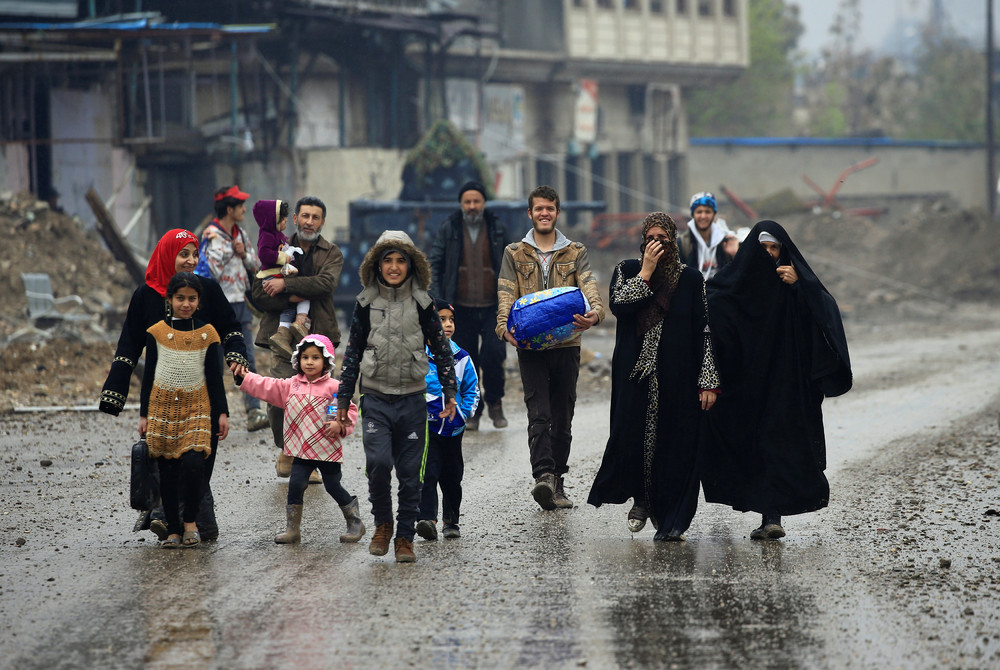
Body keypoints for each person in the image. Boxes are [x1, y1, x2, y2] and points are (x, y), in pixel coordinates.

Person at [702, 220, 852, 540]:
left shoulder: (794, 284)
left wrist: (800, 286)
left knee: (778, 446)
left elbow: (824, 311)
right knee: (752, 447)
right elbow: (714, 303)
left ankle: (773, 517)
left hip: (786, 383)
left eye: (775, 249)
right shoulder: (736, 284)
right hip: (746, 385)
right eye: (764, 249)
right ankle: (764, 513)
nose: (770, 255)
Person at [100, 229, 250, 541]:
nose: (191, 260)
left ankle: (190, 519)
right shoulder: (145, 296)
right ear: (169, 255)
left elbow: (231, 326)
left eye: (195, 254)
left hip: (202, 397)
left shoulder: (206, 289)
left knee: (198, 459)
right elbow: (129, 345)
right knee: (167, 459)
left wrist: (237, 357)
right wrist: (115, 392)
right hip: (163, 398)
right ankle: (168, 519)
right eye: (184, 254)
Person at [587, 213, 720, 541]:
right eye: (650, 238)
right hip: (634, 374)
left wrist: (708, 379)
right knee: (633, 438)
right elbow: (619, 305)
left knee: (677, 443)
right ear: (643, 241)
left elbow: (704, 329)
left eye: (663, 238)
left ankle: (672, 517)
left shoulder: (689, 280)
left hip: (679, 375)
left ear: (673, 240)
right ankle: (642, 500)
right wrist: (646, 272)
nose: (656, 244)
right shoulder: (627, 269)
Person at [337, 230, 458, 563]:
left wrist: (450, 390)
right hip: (375, 397)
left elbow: (441, 349)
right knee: (377, 463)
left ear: (410, 264)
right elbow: (352, 353)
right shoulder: (365, 303)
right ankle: (383, 525)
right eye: (387, 260)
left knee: (409, 472)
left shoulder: (423, 304)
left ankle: (404, 537)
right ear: (377, 264)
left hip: (412, 400)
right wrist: (343, 398)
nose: (393, 267)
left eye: (399, 260)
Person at [495, 185, 605, 511]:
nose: (545, 213)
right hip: (530, 346)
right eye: (539, 208)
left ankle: (558, 481)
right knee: (538, 413)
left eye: (550, 208)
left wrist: (595, 313)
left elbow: (588, 285)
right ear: (530, 213)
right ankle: (543, 475)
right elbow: (505, 292)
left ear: (558, 212)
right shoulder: (514, 253)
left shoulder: (575, 251)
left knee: (563, 415)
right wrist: (503, 327)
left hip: (568, 343)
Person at [236, 334, 364, 545]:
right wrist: (245, 377)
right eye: (305, 357)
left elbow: (349, 409)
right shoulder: (291, 386)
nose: (310, 362)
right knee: (295, 485)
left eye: (315, 357)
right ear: (298, 360)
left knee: (333, 486)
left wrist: (339, 424)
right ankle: (292, 529)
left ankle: (355, 522)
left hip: (326, 450)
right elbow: (266, 386)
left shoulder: (333, 387)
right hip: (301, 450)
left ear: (326, 361)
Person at [252, 196, 344, 479]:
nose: (309, 222)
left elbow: (325, 284)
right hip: (281, 338)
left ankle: (307, 459)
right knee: (279, 398)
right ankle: (287, 449)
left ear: (322, 222)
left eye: (316, 217)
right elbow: (258, 294)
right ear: (295, 219)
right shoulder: (274, 245)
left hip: (320, 338)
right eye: (305, 216)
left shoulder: (332, 252)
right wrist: (292, 295)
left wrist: (284, 284)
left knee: (317, 400)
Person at [139, 273, 229, 548]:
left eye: (191, 298)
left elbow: (215, 377)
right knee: (167, 470)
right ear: (169, 300)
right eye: (180, 298)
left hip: (197, 408)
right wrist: (144, 414)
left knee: (193, 465)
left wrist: (222, 413)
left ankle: (190, 521)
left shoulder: (207, 334)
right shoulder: (156, 333)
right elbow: (149, 375)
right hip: (162, 409)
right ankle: (174, 530)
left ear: (199, 301)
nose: (186, 304)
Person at [428, 181, 513, 430]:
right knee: (466, 360)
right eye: (468, 202)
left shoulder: (497, 228)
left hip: (492, 308)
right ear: (461, 204)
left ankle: (496, 403)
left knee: (494, 354)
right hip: (459, 309)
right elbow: (435, 263)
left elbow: (511, 265)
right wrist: (439, 301)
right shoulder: (449, 228)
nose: (472, 206)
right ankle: (473, 410)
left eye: (476, 201)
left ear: (484, 203)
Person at [201, 184, 268, 432]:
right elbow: (210, 272)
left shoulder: (240, 234)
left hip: (241, 305)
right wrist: (231, 252)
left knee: (247, 358)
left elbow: (255, 264)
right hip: (217, 309)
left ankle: (254, 411)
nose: (244, 209)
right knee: (215, 363)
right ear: (229, 209)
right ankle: (214, 414)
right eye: (240, 205)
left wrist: (243, 254)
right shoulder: (211, 236)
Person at [416, 299, 480, 541]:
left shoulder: (461, 357)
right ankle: (427, 519)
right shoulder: (418, 356)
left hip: (453, 430)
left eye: (451, 320)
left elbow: (473, 389)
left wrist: (463, 415)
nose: (448, 324)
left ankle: (451, 521)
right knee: (427, 472)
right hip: (426, 427)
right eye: (441, 319)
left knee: (452, 476)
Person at [252, 199, 310, 358]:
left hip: (280, 273)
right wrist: (283, 257)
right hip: (273, 275)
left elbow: (325, 283)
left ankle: (293, 326)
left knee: (295, 301)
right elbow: (264, 254)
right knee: (294, 301)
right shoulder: (267, 236)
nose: (285, 220)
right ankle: (293, 327)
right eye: (281, 218)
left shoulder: (279, 236)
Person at [677, 191, 734, 282]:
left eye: (707, 212)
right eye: (699, 212)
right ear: (693, 214)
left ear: (714, 214)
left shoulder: (725, 240)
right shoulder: (682, 243)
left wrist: (735, 254)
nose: (703, 216)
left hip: (720, 294)